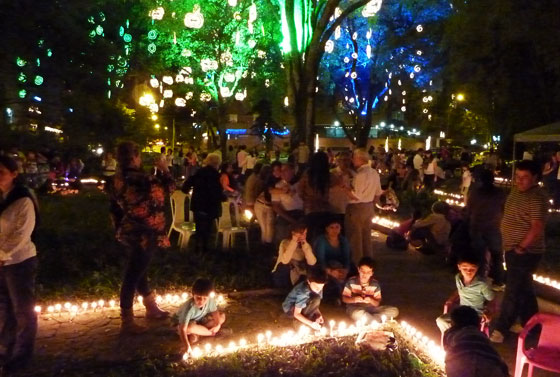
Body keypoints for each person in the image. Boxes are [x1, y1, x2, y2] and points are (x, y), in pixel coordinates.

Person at [109, 142, 175, 334]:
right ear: (135, 157)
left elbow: (114, 206)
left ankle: (151, 307)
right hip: (146, 232)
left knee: (140, 270)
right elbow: (169, 188)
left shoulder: (116, 179)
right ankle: (127, 321)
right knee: (133, 274)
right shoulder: (144, 180)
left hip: (128, 230)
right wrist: (164, 169)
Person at [490, 160, 548, 343]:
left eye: (525, 178)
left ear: (535, 178)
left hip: (525, 252)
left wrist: (522, 246)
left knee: (513, 289)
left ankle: (501, 328)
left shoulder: (536, 197)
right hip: (512, 248)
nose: (520, 181)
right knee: (524, 289)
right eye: (518, 177)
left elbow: (537, 226)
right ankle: (533, 325)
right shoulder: (516, 191)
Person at [0, 156, 39, 371]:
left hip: (19, 261)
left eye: (1, 172)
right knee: (4, 307)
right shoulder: (2, 197)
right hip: (2, 263)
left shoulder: (23, 199)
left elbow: (21, 234)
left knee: (23, 310)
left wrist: (1, 253)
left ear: (14, 174)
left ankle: (22, 355)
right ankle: (6, 348)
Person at [467, 169, 506, 289]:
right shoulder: (500, 193)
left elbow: (469, 209)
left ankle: (478, 281)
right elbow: (504, 209)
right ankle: (498, 281)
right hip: (494, 227)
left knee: (479, 255)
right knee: (497, 256)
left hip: (477, 227)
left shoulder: (475, 193)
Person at [436, 255, 495, 333]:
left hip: (475, 315)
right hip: (461, 312)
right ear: (459, 267)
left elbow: (492, 299)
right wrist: (451, 300)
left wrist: (489, 312)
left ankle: (458, 337)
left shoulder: (482, 285)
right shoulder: (458, 278)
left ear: (477, 268)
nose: (468, 271)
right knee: (441, 320)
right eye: (465, 268)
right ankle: (450, 338)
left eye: (472, 269)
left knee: (462, 326)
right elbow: (459, 290)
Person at [443, 306, 509, 377]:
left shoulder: (450, 334)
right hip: (489, 368)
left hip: (459, 369)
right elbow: (495, 355)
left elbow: (447, 349)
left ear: (454, 324)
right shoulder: (482, 336)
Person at [344, 149, 382, 265]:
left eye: (354, 157)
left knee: (355, 239)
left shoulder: (361, 175)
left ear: (360, 159)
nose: (352, 160)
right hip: (369, 207)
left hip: (357, 209)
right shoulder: (374, 173)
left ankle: (357, 265)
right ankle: (368, 263)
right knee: (366, 238)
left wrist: (344, 187)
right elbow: (378, 193)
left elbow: (356, 196)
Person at [182, 154, 225, 253]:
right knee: (208, 227)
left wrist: (189, 191)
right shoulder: (215, 175)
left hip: (198, 204)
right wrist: (223, 197)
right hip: (209, 205)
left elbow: (186, 185)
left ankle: (197, 246)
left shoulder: (199, 172)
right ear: (217, 163)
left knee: (199, 225)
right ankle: (205, 248)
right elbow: (216, 191)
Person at [176, 278, 227, 357]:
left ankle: (199, 334)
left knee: (222, 317)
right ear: (193, 295)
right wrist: (187, 346)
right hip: (185, 324)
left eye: (205, 298)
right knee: (190, 328)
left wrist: (217, 324)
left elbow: (215, 312)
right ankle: (210, 333)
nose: (201, 301)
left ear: (209, 297)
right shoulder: (189, 308)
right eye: (198, 298)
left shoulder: (210, 300)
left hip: (200, 320)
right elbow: (182, 328)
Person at [342, 257, 399, 323]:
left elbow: (377, 303)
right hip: (356, 308)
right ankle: (376, 319)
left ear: (372, 273)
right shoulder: (351, 281)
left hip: (371, 308)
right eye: (362, 271)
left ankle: (371, 319)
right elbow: (344, 298)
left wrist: (371, 300)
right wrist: (354, 299)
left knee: (394, 311)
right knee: (356, 314)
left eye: (368, 272)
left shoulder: (375, 284)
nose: (365, 275)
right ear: (358, 270)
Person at [297, 151, 332, 242]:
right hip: (324, 208)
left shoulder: (308, 174)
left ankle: (309, 253)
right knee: (322, 234)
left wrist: (306, 199)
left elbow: (300, 190)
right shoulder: (328, 175)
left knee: (310, 233)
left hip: (310, 208)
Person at [313, 218, 350, 302]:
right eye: (331, 227)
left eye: (337, 227)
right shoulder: (321, 240)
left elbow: (347, 257)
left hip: (339, 267)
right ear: (327, 229)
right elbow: (320, 259)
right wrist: (330, 271)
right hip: (324, 267)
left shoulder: (343, 240)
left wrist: (346, 270)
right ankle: (341, 296)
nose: (334, 230)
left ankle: (344, 295)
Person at [272, 223, 317, 289]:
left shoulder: (306, 245)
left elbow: (312, 262)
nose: (303, 236)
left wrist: (304, 244)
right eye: (301, 233)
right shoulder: (285, 243)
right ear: (293, 233)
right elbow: (284, 261)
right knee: (284, 265)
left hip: (299, 273)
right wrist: (294, 241)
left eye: (305, 234)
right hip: (284, 274)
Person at [271, 163, 304, 245]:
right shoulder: (278, 186)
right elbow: (275, 206)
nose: (283, 172)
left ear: (293, 171)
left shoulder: (301, 183)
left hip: (301, 213)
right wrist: (290, 219)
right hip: (286, 214)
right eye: (281, 170)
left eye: (285, 170)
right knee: (282, 229)